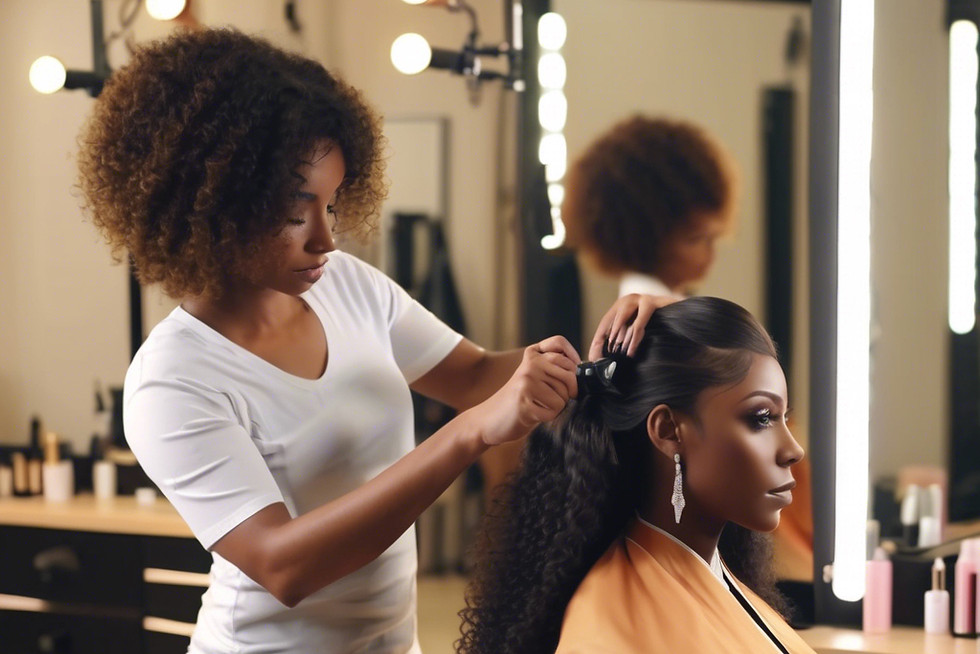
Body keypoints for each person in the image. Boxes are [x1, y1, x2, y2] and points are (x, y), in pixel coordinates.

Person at [76, 28, 662, 654]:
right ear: (212, 204)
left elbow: (474, 376)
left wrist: (603, 351)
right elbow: (283, 566)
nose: (326, 238)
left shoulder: (346, 285)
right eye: (295, 212)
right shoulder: (172, 379)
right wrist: (467, 434)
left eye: (331, 204)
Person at [457, 296, 816, 654]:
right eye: (761, 418)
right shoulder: (610, 630)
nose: (793, 450)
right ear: (668, 431)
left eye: (784, 417)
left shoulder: (717, 576)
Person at [561, 115, 738, 298]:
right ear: (644, 241)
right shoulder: (654, 317)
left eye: (713, 239)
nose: (711, 256)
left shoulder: (660, 303)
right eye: (695, 239)